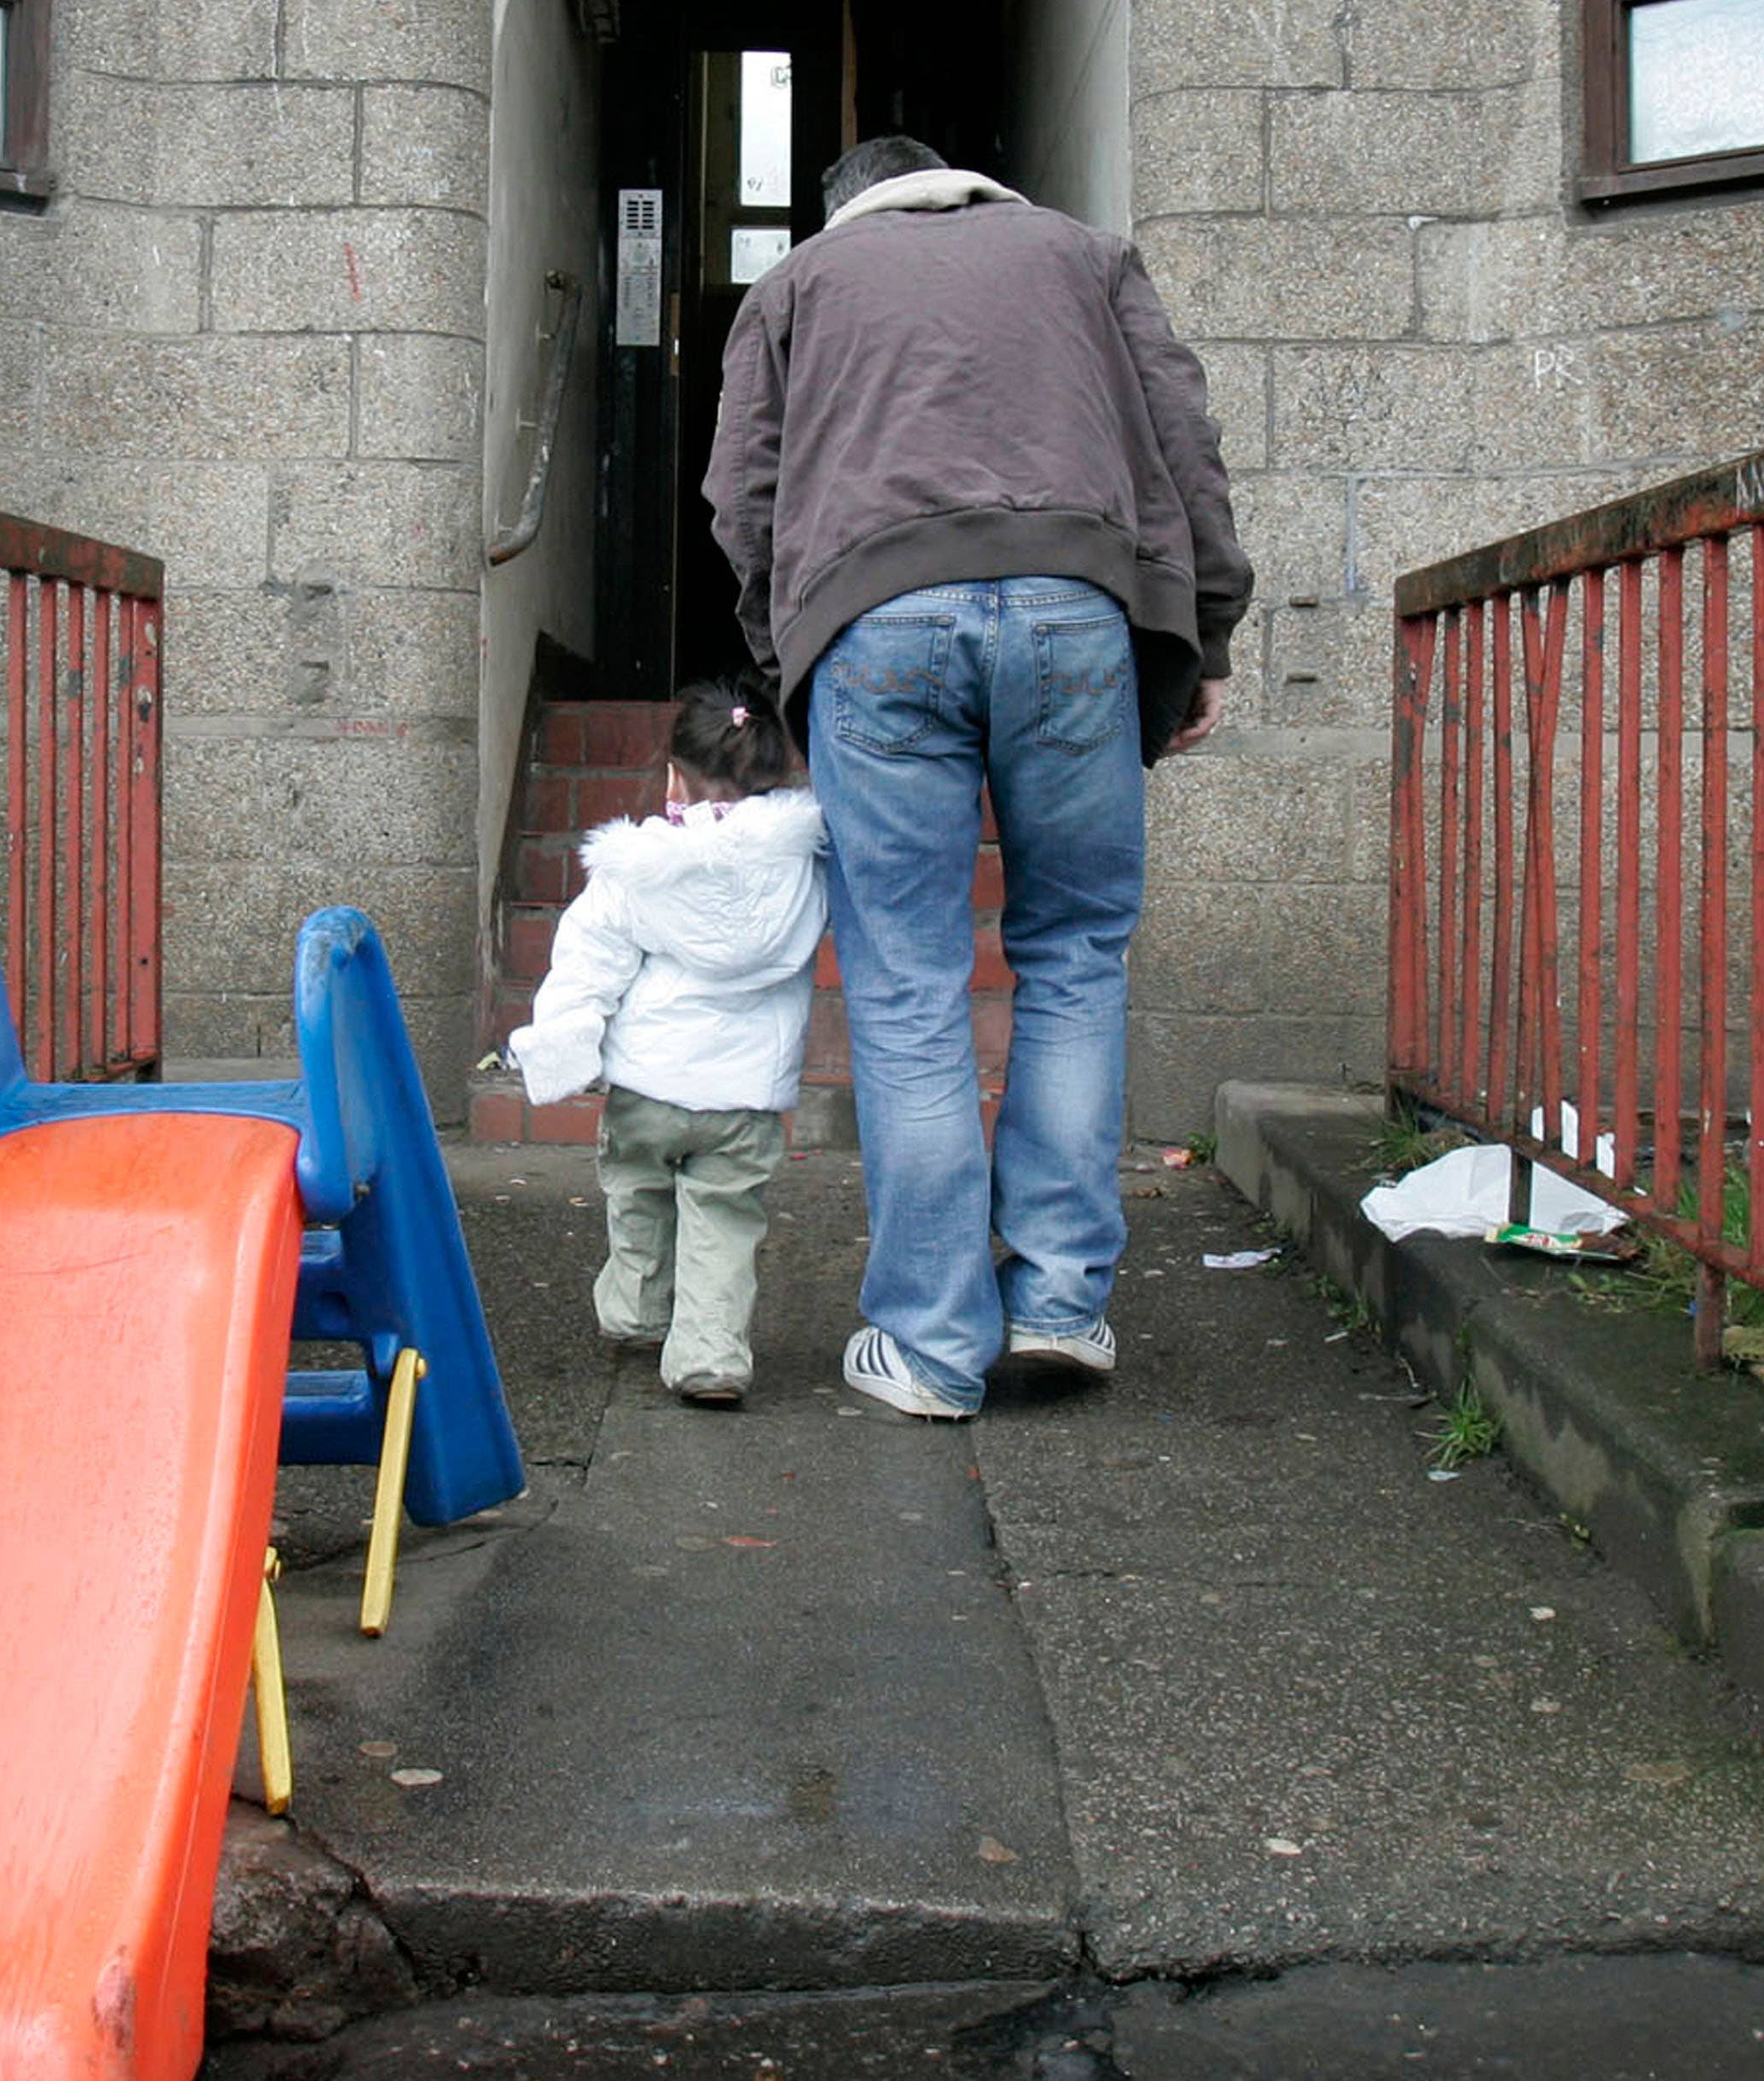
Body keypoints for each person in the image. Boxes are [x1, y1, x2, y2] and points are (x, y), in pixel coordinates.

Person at [705, 135, 1246, 1421]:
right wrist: (1206, 630)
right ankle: (1060, 1300)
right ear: (964, 189)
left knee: (904, 978)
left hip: (872, 616)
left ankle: (934, 1345)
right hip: (1078, 605)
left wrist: (790, 652)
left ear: (851, 214)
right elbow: (1188, 443)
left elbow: (743, 495)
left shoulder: (796, 287)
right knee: (1073, 951)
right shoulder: (1087, 256)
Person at [501, 675, 827, 1409]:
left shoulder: (637, 870)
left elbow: (588, 959)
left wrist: (563, 1041)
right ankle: (711, 1355)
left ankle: (638, 1313)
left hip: (647, 1086)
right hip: (743, 1096)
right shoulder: (803, 868)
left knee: (638, 1192)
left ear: (674, 779)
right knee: (723, 1214)